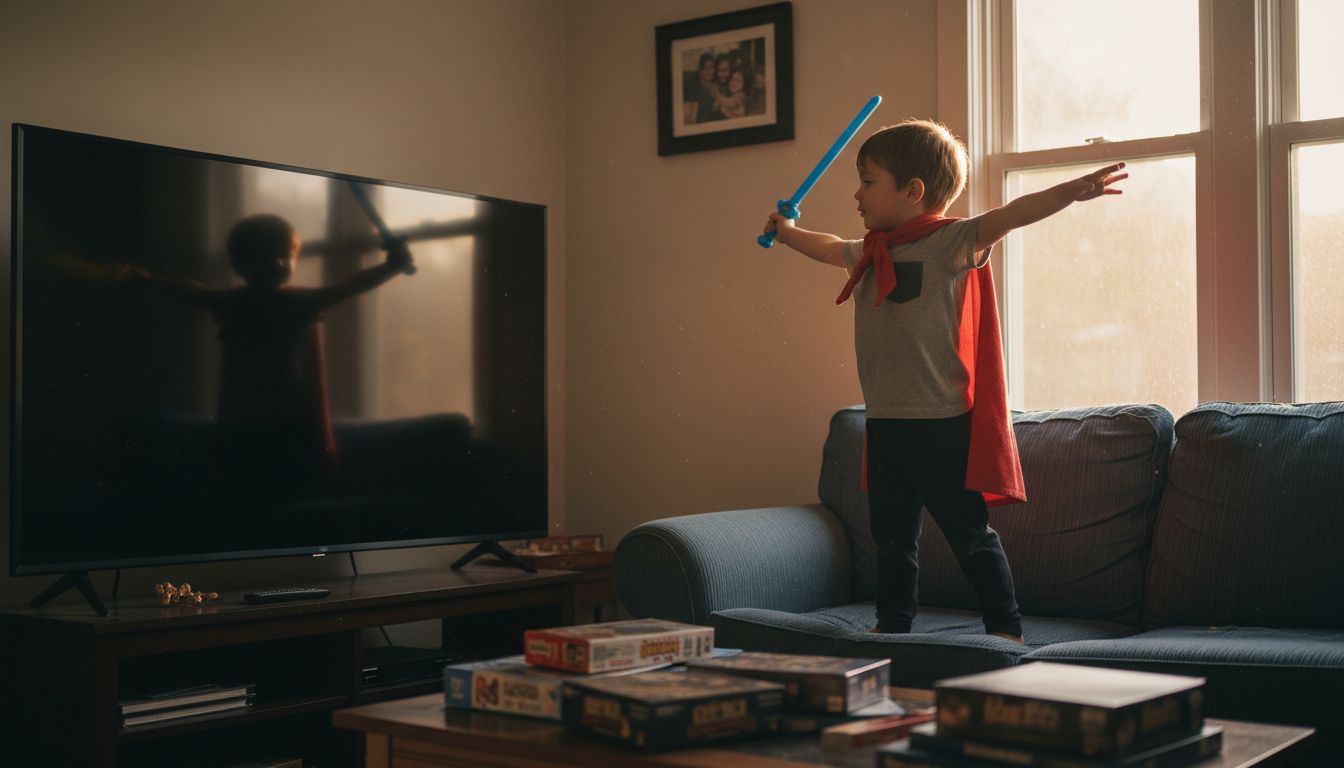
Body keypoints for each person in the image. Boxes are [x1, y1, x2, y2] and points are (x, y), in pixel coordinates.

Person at [763, 119, 1126, 642]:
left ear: (912, 191)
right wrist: (788, 231)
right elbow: (827, 247)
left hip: (940, 425)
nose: (857, 195)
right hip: (883, 425)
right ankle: (893, 626)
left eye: (868, 181)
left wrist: (1071, 191)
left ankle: (1006, 627)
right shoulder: (870, 252)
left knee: (968, 534)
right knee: (891, 539)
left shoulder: (951, 242)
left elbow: (1011, 214)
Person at [119, 213, 413, 506]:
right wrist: (392, 266)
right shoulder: (290, 302)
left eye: (286, 256)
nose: (279, 264)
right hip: (269, 420)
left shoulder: (236, 303)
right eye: (266, 256)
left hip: (258, 419)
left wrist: (146, 281)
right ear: (242, 263)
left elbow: (190, 291)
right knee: (269, 492)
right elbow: (349, 286)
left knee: (258, 493)